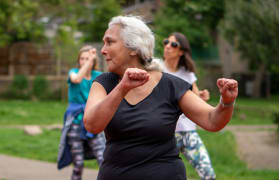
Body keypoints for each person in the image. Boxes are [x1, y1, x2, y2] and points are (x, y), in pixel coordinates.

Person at [84, 15, 238, 180]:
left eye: (110, 42)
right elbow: (92, 124)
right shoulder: (103, 83)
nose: (103, 50)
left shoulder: (171, 85)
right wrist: (122, 88)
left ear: (134, 47)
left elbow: (212, 120)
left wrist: (226, 102)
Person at [163, 32, 216, 180]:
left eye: (173, 44)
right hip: (166, 134)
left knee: (208, 175)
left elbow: (196, 99)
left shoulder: (187, 74)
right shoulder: (156, 70)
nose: (167, 46)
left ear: (181, 51)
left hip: (188, 132)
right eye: (166, 42)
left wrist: (201, 97)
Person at [57, 45, 106, 180]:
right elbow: (77, 79)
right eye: (82, 59)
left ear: (94, 60)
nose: (85, 61)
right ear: (79, 61)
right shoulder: (73, 72)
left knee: (103, 159)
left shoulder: (98, 76)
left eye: (88, 58)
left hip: (93, 122)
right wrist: (90, 61)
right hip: (75, 123)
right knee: (78, 164)